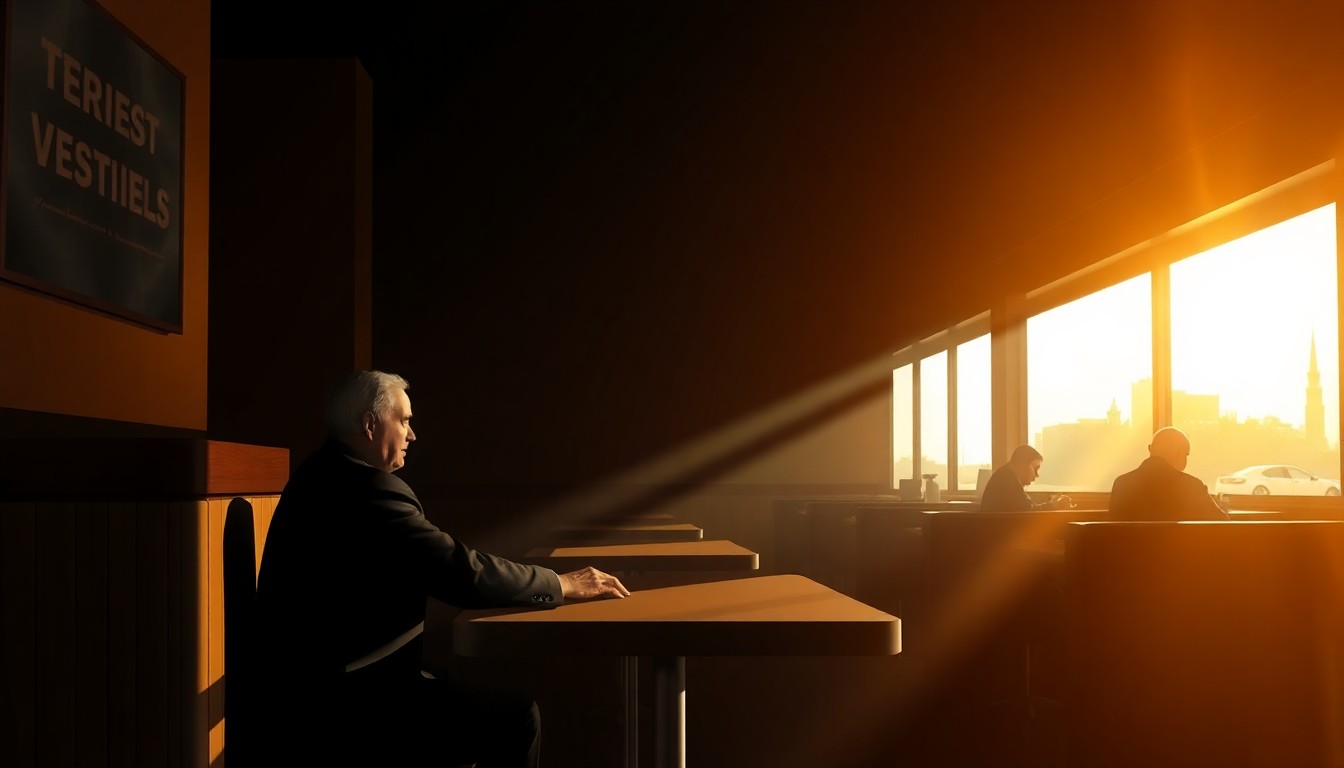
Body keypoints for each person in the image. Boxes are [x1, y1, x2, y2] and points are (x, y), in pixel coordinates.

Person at [252, 370, 630, 767]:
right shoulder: (368, 490)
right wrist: (561, 583)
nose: (412, 435)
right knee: (518, 719)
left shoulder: (322, 473)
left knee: (453, 683)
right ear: (369, 424)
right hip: (346, 706)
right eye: (404, 420)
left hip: (313, 692)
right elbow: (462, 573)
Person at [1109, 426, 1229, 521]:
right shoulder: (1191, 486)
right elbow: (1223, 525)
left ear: (1150, 449)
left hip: (1130, 552)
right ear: (1179, 453)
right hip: (1180, 552)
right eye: (1186, 455)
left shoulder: (1122, 484)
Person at [979, 444, 1074, 511]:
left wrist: (1051, 504)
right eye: (1035, 468)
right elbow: (1029, 511)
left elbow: (1027, 507)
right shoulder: (1008, 481)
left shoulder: (1006, 475)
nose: (1037, 475)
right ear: (1022, 465)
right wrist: (1054, 505)